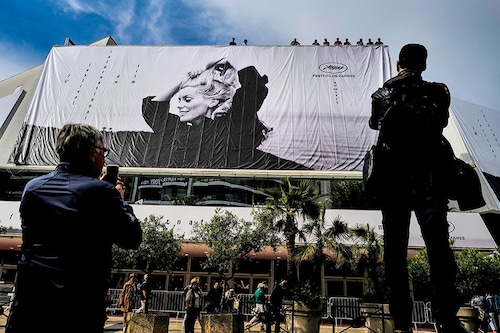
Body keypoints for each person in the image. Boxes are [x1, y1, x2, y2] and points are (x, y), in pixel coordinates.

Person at [369, 43, 472, 333]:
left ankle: (402, 323)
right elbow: (442, 121)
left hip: (393, 183)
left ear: (399, 63)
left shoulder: (382, 93)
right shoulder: (440, 91)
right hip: (430, 179)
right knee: (439, 251)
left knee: (395, 253)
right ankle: (445, 318)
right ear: (423, 65)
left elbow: (375, 123)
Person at [5, 123, 143, 333]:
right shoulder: (101, 192)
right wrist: (118, 196)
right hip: (76, 309)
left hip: (30, 305)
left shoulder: (33, 188)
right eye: (104, 151)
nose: (104, 157)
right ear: (92, 153)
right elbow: (131, 238)